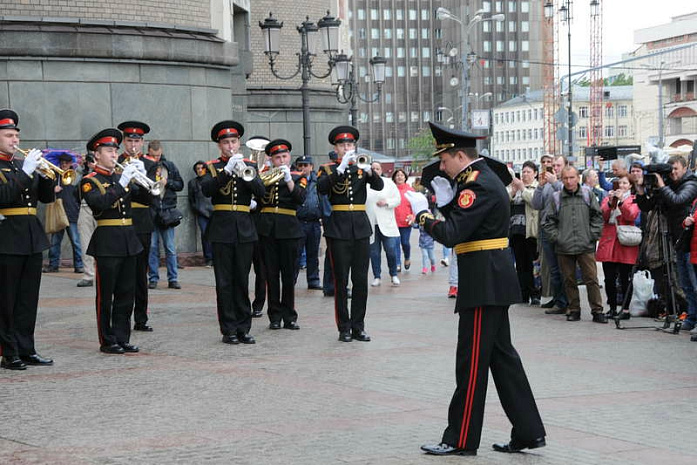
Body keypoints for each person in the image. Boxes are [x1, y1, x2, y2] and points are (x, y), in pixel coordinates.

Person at [406, 122, 545, 456]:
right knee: (503, 359)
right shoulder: (476, 182)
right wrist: (447, 203)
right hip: (488, 279)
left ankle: (460, 438)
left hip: (484, 281)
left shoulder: (477, 184)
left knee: (471, 363)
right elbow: (465, 226)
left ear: (458, 155)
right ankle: (528, 431)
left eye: (444, 160)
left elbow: (452, 233)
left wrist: (423, 216)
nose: (441, 167)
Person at [81, 128, 152, 354]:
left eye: (114, 151)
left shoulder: (124, 178)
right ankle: (107, 339)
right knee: (106, 295)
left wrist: (143, 178)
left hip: (128, 240)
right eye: (109, 151)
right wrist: (122, 183)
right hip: (107, 242)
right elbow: (99, 204)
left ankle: (123, 337)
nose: (114, 155)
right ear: (97, 155)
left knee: (126, 293)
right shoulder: (89, 181)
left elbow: (149, 199)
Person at [201, 120, 265, 345]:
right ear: (220, 145)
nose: (230, 146)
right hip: (221, 229)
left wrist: (246, 174)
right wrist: (227, 172)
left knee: (241, 280)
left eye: (234, 142)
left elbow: (262, 193)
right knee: (224, 281)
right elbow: (206, 190)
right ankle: (228, 328)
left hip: (245, 229)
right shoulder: (211, 167)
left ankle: (243, 327)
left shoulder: (250, 164)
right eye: (226, 142)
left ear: (239, 143)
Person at [0, 108, 55, 370]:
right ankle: (8, 352)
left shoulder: (22, 165)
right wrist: (26, 173)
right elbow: (5, 196)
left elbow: (44, 198)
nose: (15, 141)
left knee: (28, 299)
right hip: (7, 238)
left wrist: (46, 177)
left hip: (32, 237)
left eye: (16, 136)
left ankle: (26, 348)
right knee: (6, 299)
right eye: (9, 135)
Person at [318, 126, 384, 342]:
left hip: (360, 227)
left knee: (360, 280)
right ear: (335, 148)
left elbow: (379, 185)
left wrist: (369, 172)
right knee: (341, 280)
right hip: (338, 228)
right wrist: (341, 168)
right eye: (342, 145)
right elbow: (321, 188)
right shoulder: (327, 168)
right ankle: (343, 328)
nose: (346, 148)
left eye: (349, 144)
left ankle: (358, 326)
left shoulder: (360, 168)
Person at [635, 155, 697, 330]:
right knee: (685, 284)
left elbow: (676, 201)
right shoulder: (670, 186)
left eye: (676, 169)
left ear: (685, 168)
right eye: (671, 170)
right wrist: (641, 191)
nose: (673, 173)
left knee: (693, 283)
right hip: (678, 240)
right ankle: (691, 318)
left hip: (690, 240)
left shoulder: (691, 184)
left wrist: (662, 185)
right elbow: (648, 206)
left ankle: (693, 318)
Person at [542, 166, 606, 323]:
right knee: (568, 280)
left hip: (585, 245)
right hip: (564, 247)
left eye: (572, 177)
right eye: (565, 178)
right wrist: (558, 238)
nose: (569, 181)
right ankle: (574, 309)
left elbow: (597, 217)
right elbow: (548, 222)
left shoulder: (587, 194)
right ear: (561, 179)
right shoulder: (556, 198)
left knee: (591, 279)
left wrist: (592, 235)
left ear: (578, 178)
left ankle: (597, 310)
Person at [257, 139, 307, 330]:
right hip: (267, 228)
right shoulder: (264, 176)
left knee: (288, 275)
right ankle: (274, 316)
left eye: (284, 156)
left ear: (289, 157)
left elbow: (301, 198)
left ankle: (290, 315)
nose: (281, 160)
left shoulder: (297, 176)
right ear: (272, 159)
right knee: (271, 274)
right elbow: (258, 196)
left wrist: (288, 180)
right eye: (277, 158)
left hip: (289, 229)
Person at [117, 120, 155, 332]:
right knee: (122, 271)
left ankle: (141, 317)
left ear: (142, 142)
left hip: (141, 220)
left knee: (140, 272)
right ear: (124, 142)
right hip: (120, 218)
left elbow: (153, 198)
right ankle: (121, 316)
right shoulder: (115, 161)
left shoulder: (150, 164)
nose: (133, 145)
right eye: (130, 140)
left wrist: (142, 179)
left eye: (137, 141)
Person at [596, 170, 640, 319]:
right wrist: (610, 203)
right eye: (619, 183)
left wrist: (621, 202)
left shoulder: (633, 199)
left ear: (630, 186)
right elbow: (603, 214)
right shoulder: (608, 197)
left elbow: (631, 215)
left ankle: (625, 310)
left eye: (625, 183)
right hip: (609, 241)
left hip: (625, 242)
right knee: (608, 278)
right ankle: (613, 308)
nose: (621, 185)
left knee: (624, 277)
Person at [532, 155, 569, 314]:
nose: (553, 167)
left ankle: (566, 301)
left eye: (557, 165)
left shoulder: (566, 182)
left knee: (564, 268)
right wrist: (540, 187)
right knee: (552, 268)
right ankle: (557, 298)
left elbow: (566, 196)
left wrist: (554, 182)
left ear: (565, 165)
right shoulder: (547, 184)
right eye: (550, 165)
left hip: (562, 229)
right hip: (547, 229)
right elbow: (536, 204)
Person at [146, 140, 184, 290]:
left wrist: (167, 182)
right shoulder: (146, 166)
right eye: (153, 155)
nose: (156, 158)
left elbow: (180, 185)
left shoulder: (170, 166)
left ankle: (173, 278)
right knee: (152, 247)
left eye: (158, 155)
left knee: (170, 247)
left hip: (167, 211)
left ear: (161, 151)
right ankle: (153, 278)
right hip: (152, 210)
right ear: (148, 151)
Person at [45, 152, 84, 274]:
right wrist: (52, 189)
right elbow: (44, 191)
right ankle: (53, 265)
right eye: (62, 163)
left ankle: (79, 265)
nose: (64, 165)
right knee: (55, 242)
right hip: (58, 212)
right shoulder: (54, 175)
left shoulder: (76, 175)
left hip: (72, 212)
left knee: (76, 241)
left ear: (70, 164)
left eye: (66, 163)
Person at [508, 161, 540, 305]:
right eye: (523, 171)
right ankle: (523, 293)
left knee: (532, 264)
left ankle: (535, 293)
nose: (525, 174)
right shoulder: (515, 187)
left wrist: (522, 188)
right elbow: (505, 200)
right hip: (516, 231)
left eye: (528, 172)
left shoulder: (537, 187)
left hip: (530, 231)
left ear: (535, 173)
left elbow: (535, 202)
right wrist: (514, 190)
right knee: (520, 265)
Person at [366, 161, 401, 287]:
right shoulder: (365, 184)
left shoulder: (388, 183)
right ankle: (377, 276)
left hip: (386, 223)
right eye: (373, 168)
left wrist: (387, 202)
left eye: (377, 168)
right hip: (371, 223)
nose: (375, 170)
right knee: (374, 252)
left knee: (391, 250)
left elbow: (398, 199)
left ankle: (393, 274)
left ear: (381, 170)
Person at [294, 155, 322, 290]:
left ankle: (313, 280)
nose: (303, 168)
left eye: (306, 165)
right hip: (298, 221)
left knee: (313, 253)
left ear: (311, 167)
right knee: (295, 254)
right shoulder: (294, 180)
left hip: (314, 221)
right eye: (301, 165)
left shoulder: (317, 181)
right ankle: (291, 280)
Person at [77, 154, 98, 287]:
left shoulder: (108, 165)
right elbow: (72, 184)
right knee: (85, 242)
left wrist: (96, 167)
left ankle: (104, 272)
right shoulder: (83, 171)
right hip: (85, 207)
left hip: (102, 208)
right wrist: (81, 167)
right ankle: (89, 275)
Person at [188, 160, 214, 266]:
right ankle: (208, 258)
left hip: (213, 211)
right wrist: (196, 208)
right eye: (197, 168)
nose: (199, 170)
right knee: (205, 234)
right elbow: (191, 199)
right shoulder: (193, 182)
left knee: (215, 235)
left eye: (201, 168)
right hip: (201, 212)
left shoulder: (211, 179)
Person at [393, 168, 414, 272]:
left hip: (406, 221)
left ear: (405, 177)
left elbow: (415, 205)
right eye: (397, 175)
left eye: (401, 175)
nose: (399, 177)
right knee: (395, 243)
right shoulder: (392, 189)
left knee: (405, 242)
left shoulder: (410, 190)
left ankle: (407, 257)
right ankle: (397, 263)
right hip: (393, 222)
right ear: (394, 178)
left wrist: (412, 216)